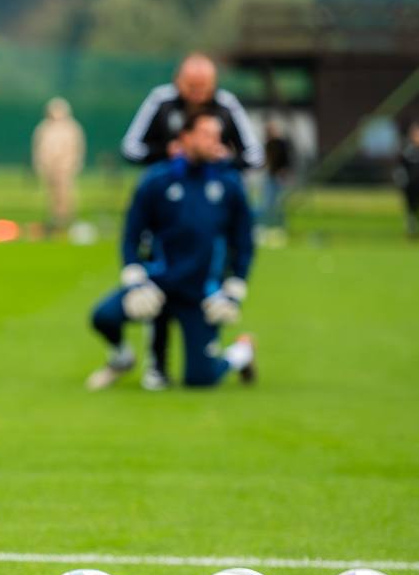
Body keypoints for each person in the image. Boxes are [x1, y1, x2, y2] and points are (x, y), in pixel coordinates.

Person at [120, 53, 263, 390]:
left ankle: (238, 350)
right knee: (154, 283)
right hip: (166, 207)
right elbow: (131, 147)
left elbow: (254, 155)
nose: (198, 93)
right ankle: (155, 364)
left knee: (201, 377)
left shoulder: (227, 106)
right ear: (178, 81)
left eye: (205, 87)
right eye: (191, 86)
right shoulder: (161, 102)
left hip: (212, 206)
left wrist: (224, 159)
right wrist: (169, 153)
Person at [86, 112, 256, 391]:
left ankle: (242, 352)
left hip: (201, 293)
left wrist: (234, 289)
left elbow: (244, 241)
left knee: (201, 380)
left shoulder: (229, 184)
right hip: (159, 285)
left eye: (217, 137)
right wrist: (136, 277)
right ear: (185, 137)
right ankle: (122, 358)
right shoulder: (157, 181)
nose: (214, 143)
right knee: (103, 317)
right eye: (206, 135)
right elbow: (131, 235)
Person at [32, 97, 86, 234]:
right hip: (49, 167)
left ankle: (66, 221)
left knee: (65, 194)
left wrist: (72, 164)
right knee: (51, 195)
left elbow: (77, 148)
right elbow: (39, 148)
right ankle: (54, 220)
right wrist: (40, 164)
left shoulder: (71, 128)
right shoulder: (44, 127)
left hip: (65, 167)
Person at [261, 119, 295, 231]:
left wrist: (284, 172)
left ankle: (280, 227)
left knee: (279, 203)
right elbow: (266, 160)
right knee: (267, 202)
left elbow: (286, 160)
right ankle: (267, 225)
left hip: (279, 176)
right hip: (269, 175)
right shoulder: (268, 143)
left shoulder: (281, 144)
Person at [395, 120, 419, 239]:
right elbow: (400, 169)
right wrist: (401, 182)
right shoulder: (407, 151)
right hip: (411, 187)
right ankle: (412, 231)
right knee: (411, 209)